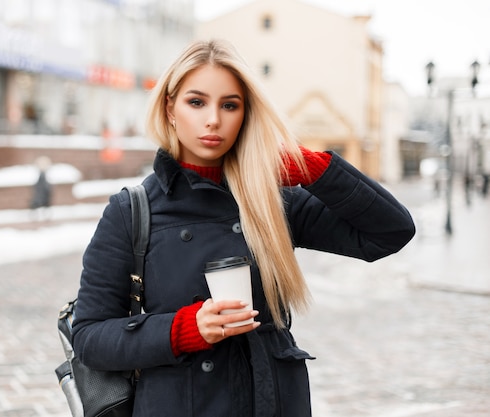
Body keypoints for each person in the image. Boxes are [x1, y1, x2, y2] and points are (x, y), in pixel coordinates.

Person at [71, 39, 415, 417]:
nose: (213, 120)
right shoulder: (132, 210)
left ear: (246, 113)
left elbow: (390, 232)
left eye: (229, 105)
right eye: (197, 102)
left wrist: (312, 168)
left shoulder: (272, 201)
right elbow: (89, 337)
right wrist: (183, 329)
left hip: (271, 402)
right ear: (170, 107)